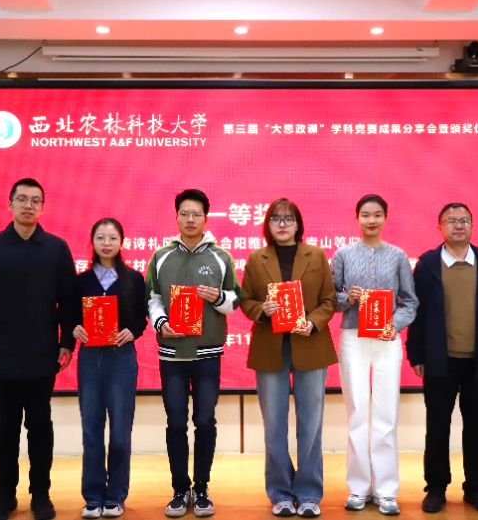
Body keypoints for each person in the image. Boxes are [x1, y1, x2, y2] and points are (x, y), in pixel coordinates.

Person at [0, 178, 77, 520]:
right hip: (3, 357)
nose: (29, 205)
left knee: (40, 428)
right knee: (6, 429)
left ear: (43, 207)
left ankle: (40, 495)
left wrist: (66, 343)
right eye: (22, 199)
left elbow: (70, 301)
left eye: (35, 200)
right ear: (9, 204)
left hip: (44, 355)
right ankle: (5, 496)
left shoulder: (57, 248)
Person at [406, 202, 478, 515]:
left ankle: (475, 488)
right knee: (437, 427)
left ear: (472, 226)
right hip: (439, 361)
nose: (458, 225)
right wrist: (416, 354)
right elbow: (416, 313)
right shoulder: (427, 265)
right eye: (451, 220)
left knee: (477, 427)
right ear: (439, 227)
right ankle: (436, 488)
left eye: (464, 220)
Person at [144, 189, 242, 518]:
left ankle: (201, 488)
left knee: (204, 421)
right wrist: (161, 323)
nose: (190, 219)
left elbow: (235, 298)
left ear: (206, 218)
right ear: (176, 217)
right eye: (184, 213)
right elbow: (153, 297)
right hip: (171, 354)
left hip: (208, 354)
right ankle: (178, 488)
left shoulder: (220, 256)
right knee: (175, 422)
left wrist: (218, 298)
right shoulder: (160, 256)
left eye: (196, 213)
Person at [239, 198, 337, 518]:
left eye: (288, 219)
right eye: (276, 219)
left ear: (298, 224)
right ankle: (280, 492)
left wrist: (313, 322)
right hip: (270, 348)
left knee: (311, 424)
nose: (282, 224)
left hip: (310, 344)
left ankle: (308, 493)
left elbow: (329, 300)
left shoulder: (316, 255)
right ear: (267, 224)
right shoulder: (256, 258)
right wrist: (262, 309)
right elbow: (246, 300)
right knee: (273, 426)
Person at [332, 194, 418, 516]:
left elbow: (410, 301)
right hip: (353, 338)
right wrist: (348, 299)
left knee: (385, 414)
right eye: (366, 215)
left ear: (385, 218)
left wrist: (394, 325)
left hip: (386, 341)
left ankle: (386, 491)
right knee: (357, 412)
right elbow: (331, 299)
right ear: (357, 218)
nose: (371, 220)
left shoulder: (397, 256)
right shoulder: (342, 254)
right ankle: (358, 488)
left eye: (377, 214)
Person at [71, 218, 148, 518]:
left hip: (121, 359)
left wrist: (133, 331)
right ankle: (93, 497)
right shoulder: (81, 280)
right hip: (90, 358)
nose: (106, 243)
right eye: (101, 237)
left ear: (121, 242)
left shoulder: (134, 279)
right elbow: (70, 316)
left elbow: (141, 318)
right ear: (92, 241)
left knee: (119, 432)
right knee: (91, 430)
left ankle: (115, 495)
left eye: (112, 238)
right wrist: (75, 328)